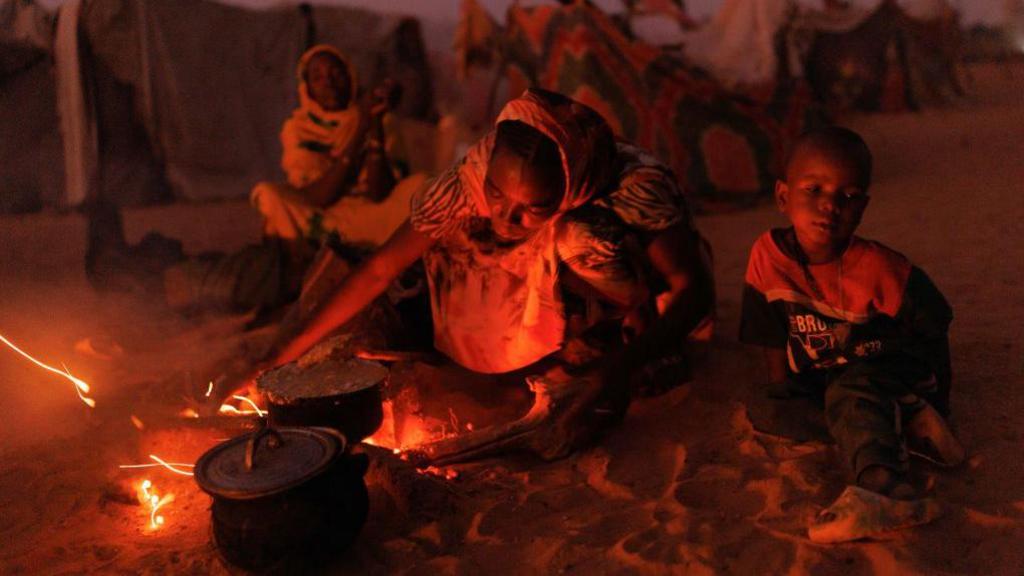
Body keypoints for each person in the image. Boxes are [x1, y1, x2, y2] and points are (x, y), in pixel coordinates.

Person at [250, 88, 715, 456]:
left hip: (631, 288)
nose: (505, 218)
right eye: (496, 192)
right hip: (543, 277)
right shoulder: (469, 177)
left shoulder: (633, 183)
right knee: (452, 230)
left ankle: (616, 343)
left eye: (531, 208)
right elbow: (380, 268)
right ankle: (527, 347)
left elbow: (692, 288)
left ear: (570, 181)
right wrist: (277, 357)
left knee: (580, 235)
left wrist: (620, 366)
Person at [739, 126, 963, 542]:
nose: (830, 206)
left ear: (862, 207)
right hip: (825, 375)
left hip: (883, 364)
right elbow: (767, 334)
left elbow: (936, 320)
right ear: (783, 197)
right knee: (767, 410)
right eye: (815, 190)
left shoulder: (881, 268)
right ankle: (903, 417)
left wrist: (941, 396)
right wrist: (781, 390)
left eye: (848, 196)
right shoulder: (766, 257)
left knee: (851, 388)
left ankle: (883, 486)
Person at [249, 44, 427, 290]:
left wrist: (374, 124)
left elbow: (379, 194)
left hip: (370, 217)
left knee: (420, 187)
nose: (328, 82)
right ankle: (300, 275)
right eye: (318, 77)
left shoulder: (380, 117)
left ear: (350, 77)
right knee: (268, 194)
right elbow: (318, 197)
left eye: (336, 74)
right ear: (306, 87)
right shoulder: (298, 128)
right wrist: (361, 129)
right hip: (321, 217)